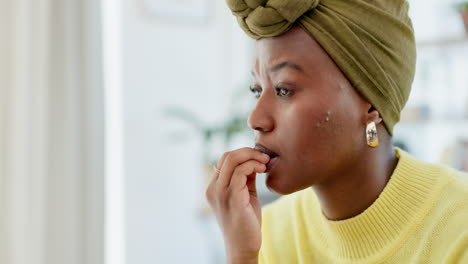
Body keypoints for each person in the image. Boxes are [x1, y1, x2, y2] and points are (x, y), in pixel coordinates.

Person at [205, 0, 468, 263]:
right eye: (257, 90)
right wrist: (242, 256)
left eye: (284, 90)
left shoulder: (460, 227)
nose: (255, 119)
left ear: (371, 105)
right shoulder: (266, 233)